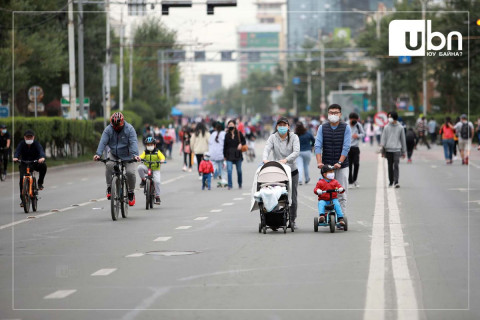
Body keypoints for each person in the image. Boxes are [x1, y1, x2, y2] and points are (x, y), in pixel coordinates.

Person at [93, 112, 140, 206]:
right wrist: (98, 154)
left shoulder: (129, 129)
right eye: (114, 125)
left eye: (118, 125)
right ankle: (110, 187)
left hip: (128, 155)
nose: (116, 127)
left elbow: (133, 142)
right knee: (109, 165)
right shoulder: (108, 129)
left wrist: (135, 155)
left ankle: (131, 192)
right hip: (114, 153)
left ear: (122, 123)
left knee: (130, 172)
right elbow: (103, 142)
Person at [314, 104, 351, 217]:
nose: (333, 115)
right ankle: (324, 215)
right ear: (328, 114)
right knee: (324, 192)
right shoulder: (322, 128)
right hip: (327, 166)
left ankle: (341, 217)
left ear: (340, 114)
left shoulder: (346, 127)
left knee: (341, 193)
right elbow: (317, 145)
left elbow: (346, 146)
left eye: (336, 112)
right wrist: (319, 162)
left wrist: (340, 162)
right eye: (331, 112)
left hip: (342, 165)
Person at [263, 117, 300, 228]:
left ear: (288, 127)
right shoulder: (273, 137)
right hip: (278, 171)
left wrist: (286, 159)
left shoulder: (294, 137)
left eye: (284, 125)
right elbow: (267, 148)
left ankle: (292, 220)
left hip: (292, 170)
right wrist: (265, 159)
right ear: (276, 127)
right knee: (275, 194)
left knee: (293, 197)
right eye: (280, 125)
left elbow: (296, 151)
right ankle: (275, 218)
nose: (282, 127)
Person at [13, 130, 47, 206]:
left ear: (33, 137)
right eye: (27, 137)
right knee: (22, 180)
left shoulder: (36, 144)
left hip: (35, 162)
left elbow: (41, 151)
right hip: (24, 163)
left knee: (44, 166)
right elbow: (17, 151)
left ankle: (40, 182)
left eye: (30, 137)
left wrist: (42, 158)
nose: (29, 139)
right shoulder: (21, 144)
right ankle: (23, 200)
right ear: (24, 137)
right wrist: (15, 157)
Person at [380, 111, 406, 188]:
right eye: (388, 117)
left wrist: (404, 151)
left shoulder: (400, 127)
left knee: (396, 166)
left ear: (394, 118)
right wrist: (382, 150)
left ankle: (396, 181)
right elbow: (383, 139)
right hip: (388, 150)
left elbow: (403, 140)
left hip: (397, 150)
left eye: (390, 117)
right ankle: (391, 181)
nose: (389, 118)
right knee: (390, 166)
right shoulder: (386, 127)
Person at [138, 136, 166, 204]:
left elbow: (162, 157)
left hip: (155, 169)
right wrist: (139, 158)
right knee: (139, 168)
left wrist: (162, 160)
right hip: (147, 167)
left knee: (157, 181)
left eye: (151, 145)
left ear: (154, 145)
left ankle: (157, 196)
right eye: (148, 145)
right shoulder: (145, 152)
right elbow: (141, 156)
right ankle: (143, 180)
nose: (149, 146)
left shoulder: (157, 151)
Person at [224, 120, 246, 190]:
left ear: (234, 125)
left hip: (238, 155)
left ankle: (240, 183)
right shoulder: (227, 135)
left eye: (231, 124)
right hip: (229, 155)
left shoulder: (239, 133)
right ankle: (230, 185)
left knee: (239, 171)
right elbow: (224, 146)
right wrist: (224, 155)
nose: (230, 126)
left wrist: (240, 144)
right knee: (229, 170)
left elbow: (244, 141)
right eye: (229, 125)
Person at [348, 112, 365, 188]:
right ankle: (350, 181)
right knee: (349, 165)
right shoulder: (346, 125)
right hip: (347, 148)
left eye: (356, 120)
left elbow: (363, 134)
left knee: (356, 164)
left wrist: (357, 135)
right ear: (350, 119)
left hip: (355, 147)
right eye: (353, 120)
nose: (354, 121)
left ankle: (355, 180)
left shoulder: (358, 125)